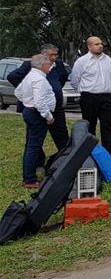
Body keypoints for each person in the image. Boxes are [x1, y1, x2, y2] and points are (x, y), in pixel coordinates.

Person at [7, 43, 70, 155]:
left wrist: (55, 89)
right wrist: (28, 93)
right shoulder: (30, 65)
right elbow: (12, 77)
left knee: (62, 137)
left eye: (56, 55)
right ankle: (37, 163)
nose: (54, 58)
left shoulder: (58, 65)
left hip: (56, 109)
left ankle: (65, 159)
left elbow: (63, 77)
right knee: (35, 140)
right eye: (51, 55)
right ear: (43, 54)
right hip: (38, 110)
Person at [14, 54, 56, 189]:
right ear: (43, 65)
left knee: (30, 145)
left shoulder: (31, 76)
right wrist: (48, 116)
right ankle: (29, 179)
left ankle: (29, 175)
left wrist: (27, 101)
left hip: (29, 111)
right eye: (49, 65)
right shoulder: (39, 79)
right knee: (34, 146)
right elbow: (39, 102)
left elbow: (18, 92)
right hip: (37, 114)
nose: (50, 67)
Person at [69, 36, 111, 156]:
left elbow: (109, 76)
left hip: (105, 96)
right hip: (89, 97)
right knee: (90, 124)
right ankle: (90, 150)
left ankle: (110, 152)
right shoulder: (82, 61)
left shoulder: (108, 59)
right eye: (96, 44)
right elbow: (75, 79)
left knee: (107, 124)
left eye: (101, 43)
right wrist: (84, 91)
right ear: (89, 46)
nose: (100, 46)